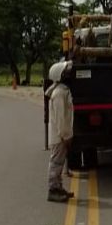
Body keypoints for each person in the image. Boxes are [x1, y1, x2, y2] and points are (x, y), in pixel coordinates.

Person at [46, 60, 75, 202]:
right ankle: (53, 190)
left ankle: (58, 187)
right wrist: (65, 136)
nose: (68, 75)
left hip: (61, 135)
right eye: (65, 73)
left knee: (59, 162)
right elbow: (60, 119)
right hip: (59, 137)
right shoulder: (58, 94)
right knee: (56, 163)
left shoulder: (63, 91)